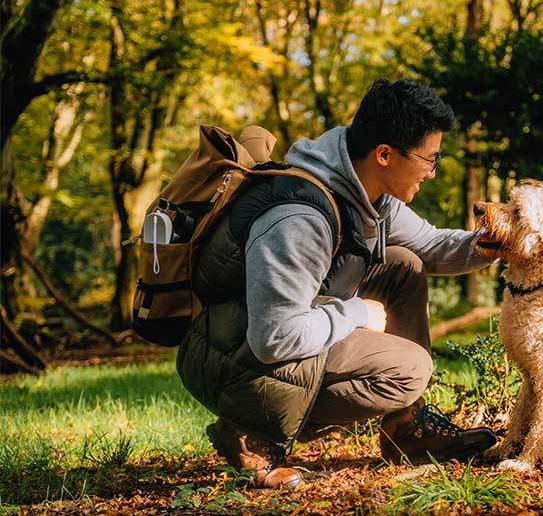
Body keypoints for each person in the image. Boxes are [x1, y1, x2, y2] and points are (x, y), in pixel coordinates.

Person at [176, 79, 497, 489]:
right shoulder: (299, 219)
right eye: (429, 160)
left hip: (262, 333)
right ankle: (249, 430)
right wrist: (357, 313)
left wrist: (500, 242)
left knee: (403, 265)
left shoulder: (369, 197)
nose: (432, 172)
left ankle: (405, 429)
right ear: (385, 154)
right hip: (228, 355)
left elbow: (433, 246)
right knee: (410, 370)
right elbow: (274, 338)